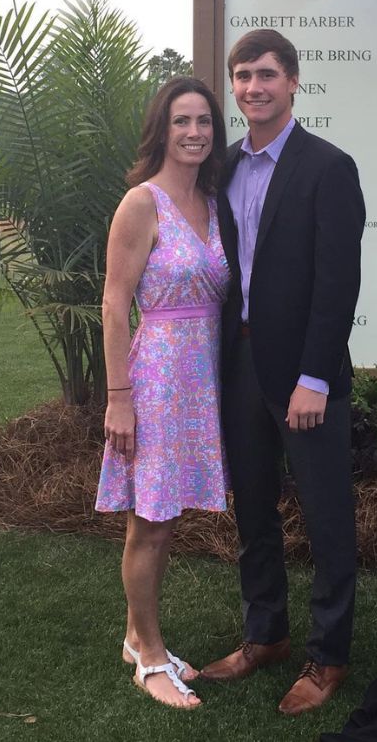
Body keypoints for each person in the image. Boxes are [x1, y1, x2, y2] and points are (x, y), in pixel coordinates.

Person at [200, 30, 365, 716]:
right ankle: (264, 635)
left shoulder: (328, 167)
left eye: (267, 74)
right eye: (242, 76)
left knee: (327, 517)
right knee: (254, 513)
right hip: (238, 367)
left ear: (294, 82)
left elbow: (337, 284)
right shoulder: (224, 165)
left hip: (303, 376)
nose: (252, 87)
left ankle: (328, 658)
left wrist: (315, 378)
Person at [95, 76, 229, 709]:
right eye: (182, 121)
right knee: (147, 524)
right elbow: (114, 303)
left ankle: (133, 634)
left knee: (165, 519)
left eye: (204, 120)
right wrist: (118, 395)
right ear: (163, 129)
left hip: (200, 385)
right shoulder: (140, 203)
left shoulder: (212, 199)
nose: (195, 132)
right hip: (153, 384)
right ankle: (149, 660)